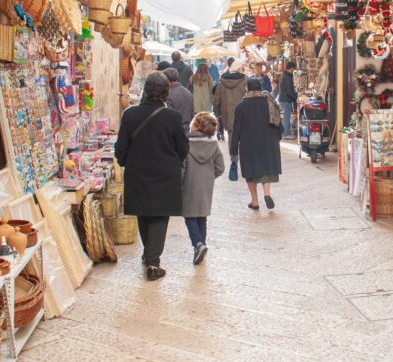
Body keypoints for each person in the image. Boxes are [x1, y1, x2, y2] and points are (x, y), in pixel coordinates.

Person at [114, 72, 188, 280]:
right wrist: (174, 161)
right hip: (165, 173)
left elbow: (121, 149)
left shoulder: (130, 115)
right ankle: (152, 262)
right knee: (159, 215)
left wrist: (124, 162)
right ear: (166, 92)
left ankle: (150, 256)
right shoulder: (173, 117)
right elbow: (183, 147)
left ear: (146, 90)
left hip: (138, 172)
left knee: (143, 213)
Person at [230, 77, 283, 210]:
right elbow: (278, 123)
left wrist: (233, 149)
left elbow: (236, 129)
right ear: (260, 87)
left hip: (249, 144)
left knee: (251, 172)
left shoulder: (241, 106)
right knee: (265, 168)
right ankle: (267, 193)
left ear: (247, 88)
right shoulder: (270, 102)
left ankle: (255, 201)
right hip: (268, 141)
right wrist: (278, 137)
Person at [181, 112, 225, 265]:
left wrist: (180, 182)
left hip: (189, 183)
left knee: (188, 215)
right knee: (202, 216)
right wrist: (209, 177)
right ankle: (201, 246)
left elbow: (182, 166)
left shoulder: (186, 143)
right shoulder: (213, 145)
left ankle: (198, 244)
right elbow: (220, 167)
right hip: (206, 185)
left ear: (196, 126)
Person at [213, 61, 247, 141]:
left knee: (231, 135)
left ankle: (233, 153)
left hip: (227, 113)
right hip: (243, 114)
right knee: (243, 137)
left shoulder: (221, 82)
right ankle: (240, 153)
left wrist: (217, 113)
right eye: (242, 68)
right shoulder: (245, 81)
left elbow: (216, 100)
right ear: (239, 69)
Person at [277, 60, 298, 139]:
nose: (293, 71)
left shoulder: (283, 75)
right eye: (293, 69)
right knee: (286, 117)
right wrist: (295, 97)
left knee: (286, 117)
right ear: (291, 68)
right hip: (286, 100)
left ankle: (286, 132)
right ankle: (286, 134)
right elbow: (289, 91)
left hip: (283, 99)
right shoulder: (288, 77)